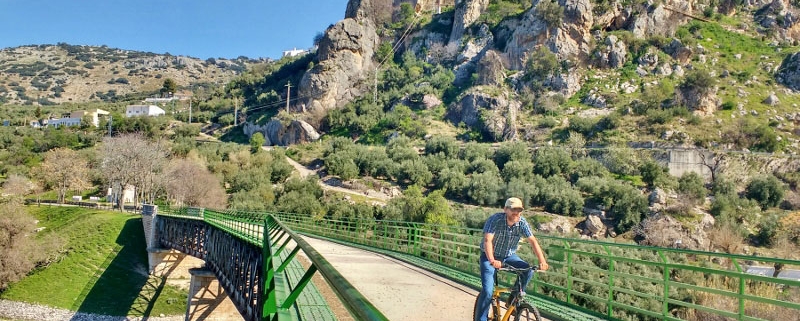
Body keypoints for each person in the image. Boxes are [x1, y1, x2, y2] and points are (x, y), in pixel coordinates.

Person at [474, 197, 549, 321]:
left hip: (508, 256)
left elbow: (533, 241)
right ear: (505, 209)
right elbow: (488, 240)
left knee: (528, 270)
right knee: (488, 291)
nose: (516, 212)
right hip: (489, 257)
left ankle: (512, 300)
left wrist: (542, 261)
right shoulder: (495, 220)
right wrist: (492, 260)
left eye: (519, 210)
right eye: (513, 209)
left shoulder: (522, 222)